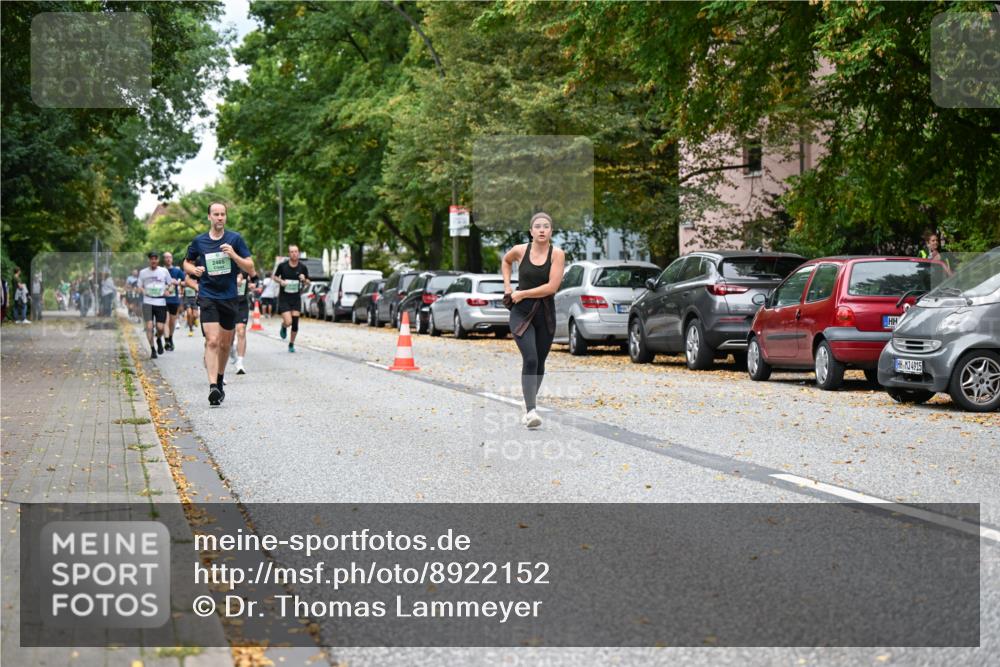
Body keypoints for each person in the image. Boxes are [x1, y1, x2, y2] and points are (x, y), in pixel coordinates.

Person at [183, 201, 254, 406]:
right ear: (209, 217)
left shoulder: (235, 239)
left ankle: (220, 380)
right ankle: (213, 386)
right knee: (212, 341)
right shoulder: (199, 241)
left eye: (223, 214)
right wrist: (193, 270)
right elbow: (187, 262)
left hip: (229, 297)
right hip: (208, 296)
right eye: (216, 214)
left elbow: (250, 267)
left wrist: (233, 255)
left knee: (224, 344)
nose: (220, 217)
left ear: (226, 217)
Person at [501, 211, 566, 429]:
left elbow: (551, 287)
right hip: (521, 313)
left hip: (545, 314)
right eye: (537, 226)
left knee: (540, 361)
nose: (541, 230)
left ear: (551, 231)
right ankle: (531, 410)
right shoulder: (520, 250)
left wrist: (522, 293)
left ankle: (528, 402)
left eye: (546, 226)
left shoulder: (557, 254)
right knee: (530, 359)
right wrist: (508, 287)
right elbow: (506, 261)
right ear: (531, 231)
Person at [273, 245, 310, 353]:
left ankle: (291, 344)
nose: (294, 253)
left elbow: (308, 282)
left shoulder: (302, 267)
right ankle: (284, 326)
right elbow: (274, 277)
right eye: (292, 252)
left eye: (296, 251)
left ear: (298, 253)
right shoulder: (282, 266)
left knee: (295, 323)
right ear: (289, 254)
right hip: (284, 298)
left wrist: (304, 279)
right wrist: (281, 281)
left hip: (296, 298)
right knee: (288, 321)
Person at [138, 251, 171, 358]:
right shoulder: (143, 272)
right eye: (151, 259)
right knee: (149, 326)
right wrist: (143, 291)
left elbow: (170, 284)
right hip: (147, 302)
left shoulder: (164, 271)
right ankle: (152, 349)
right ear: (149, 260)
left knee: (160, 327)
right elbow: (139, 286)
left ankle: (159, 339)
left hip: (160, 302)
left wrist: (168, 291)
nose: (153, 261)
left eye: (155, 259)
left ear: (158, 260)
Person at [230, 269, 258, 374]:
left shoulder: (245, 266)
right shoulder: (227, 265)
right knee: (229, 336)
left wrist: (253, 284)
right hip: (228, 304)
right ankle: (231, 350)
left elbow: (255, 278)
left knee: (241, 331)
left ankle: (240, 363)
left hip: (242, 304)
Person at [161, 252, 185, 350]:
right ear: (163, 259)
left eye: (170, 257)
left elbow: (185, 282)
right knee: (165, 320)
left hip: (174, 300)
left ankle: (170, 338)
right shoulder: (160, 271)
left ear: (172, 259)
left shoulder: (177, 271)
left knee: (172, 321)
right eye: (166, 257)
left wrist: (178, 282)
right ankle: (166, 341)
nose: (168, 259)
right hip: (162, 300)